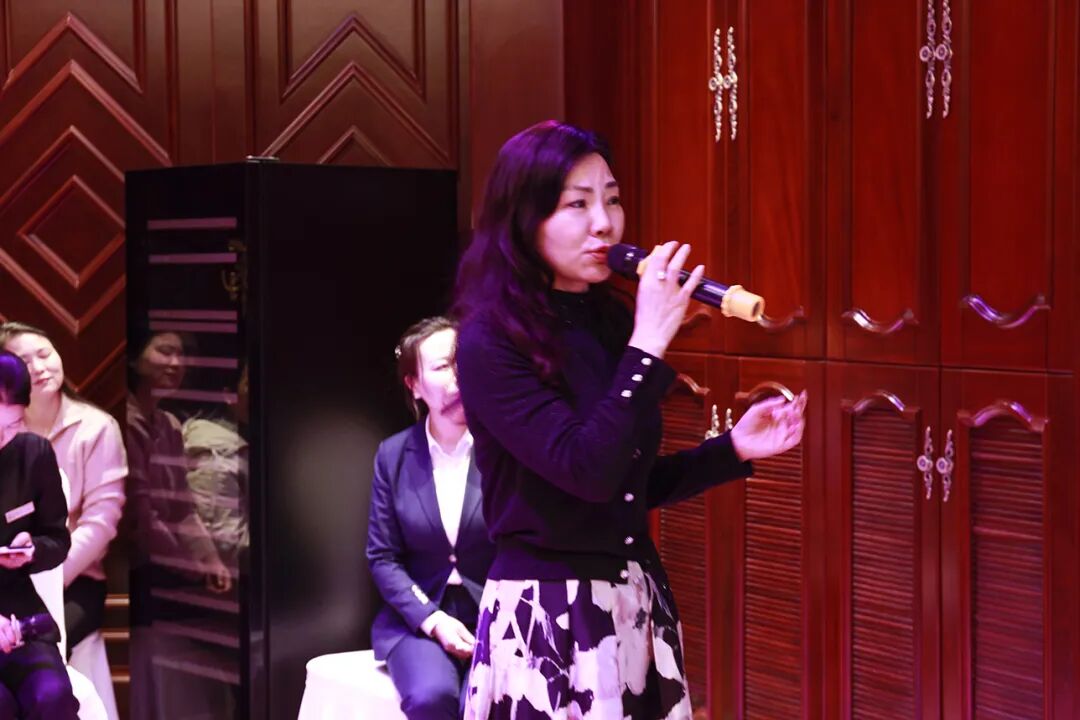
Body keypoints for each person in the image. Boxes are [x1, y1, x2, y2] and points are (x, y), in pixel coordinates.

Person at [452, 120, 807, 719]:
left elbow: (625, 480)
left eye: (612, 200)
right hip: (547, 611)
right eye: (578, 204)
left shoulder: (608, 321)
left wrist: (733, 449)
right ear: (524, 217)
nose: (605, 223)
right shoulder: (489, 340)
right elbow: (584, 470)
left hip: (634, 594)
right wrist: (647, 345)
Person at [367, 317, 496, 720]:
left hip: (495, 613)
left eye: (462, 362)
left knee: (484, 702)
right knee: (430, 696)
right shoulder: (393, 455)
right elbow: (382, 557)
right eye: (442, 366)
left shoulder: (501, 448)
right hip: (420, 617)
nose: (457, 376)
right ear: (414, 385)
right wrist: (432, 619)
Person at [0, 321, 128, 654]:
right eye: (25, 361)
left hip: (76, 579)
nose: (39, 367)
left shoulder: (96, 428)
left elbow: (102, 521)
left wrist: (48, 574)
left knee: (37, 645)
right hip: (7, 579)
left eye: (45, 354)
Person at [0, 349, 80, 719]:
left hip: (20, 622)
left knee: (52, 698)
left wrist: (33, 551)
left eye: (12, 426)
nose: (1, 439)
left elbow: (57, 539)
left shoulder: (34, 454)